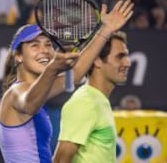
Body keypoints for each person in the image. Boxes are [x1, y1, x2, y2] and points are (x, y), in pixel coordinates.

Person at [0, 0, 134, 163]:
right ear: (18, 56)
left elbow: (75, 76)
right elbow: (30, 104)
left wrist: (106, 30)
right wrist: (53, 68)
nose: (44, 51)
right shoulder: (15, 93)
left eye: (48, 44)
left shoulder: (39, 90)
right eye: (35, 45)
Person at [53, 31, 131, 163]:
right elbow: (60, 160)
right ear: (97, 61)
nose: (127, 62)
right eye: (120, 56)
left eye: (126, 56)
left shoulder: (99, 100)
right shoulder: (85, 102)